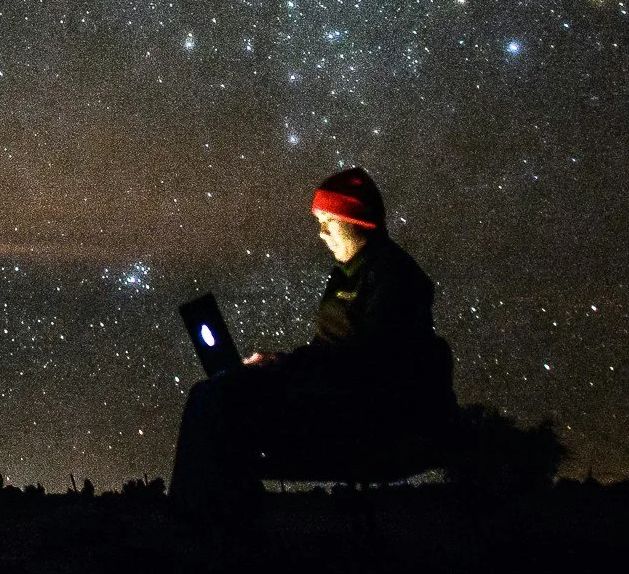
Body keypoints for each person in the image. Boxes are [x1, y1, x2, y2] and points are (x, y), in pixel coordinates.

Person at [168, 167, 456, 519]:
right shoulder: (347, 274)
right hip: (331, 394)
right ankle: (211, 514)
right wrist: (281, 363)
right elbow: (330, 351)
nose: (321, 234)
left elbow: (368, 360)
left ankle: (201, 520)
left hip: (360, 412)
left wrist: (287, 369)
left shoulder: (393, 277)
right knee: (214, 391)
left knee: (219, 400)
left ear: (357, 220)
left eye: (328, 222)